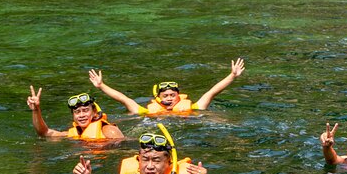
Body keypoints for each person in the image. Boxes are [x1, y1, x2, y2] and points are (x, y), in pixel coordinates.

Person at [73, 124, 211, 174]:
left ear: (168, 163)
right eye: (145, 159)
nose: (149, 166)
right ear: (138, 161)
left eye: (156, 160)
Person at [88, 58, 245, 115]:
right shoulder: (145, 112)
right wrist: (101, 86)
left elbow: (212, 92)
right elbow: (124, 99)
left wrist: (232, 76)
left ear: (179, 95)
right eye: (165, 96)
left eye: (173, 95)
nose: (170, 98)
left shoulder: (193, 108)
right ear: (157, 98)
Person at [27, 85, 124, 141]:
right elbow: (44, 133)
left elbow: (124, 147)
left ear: (94, 113)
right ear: (73, 116)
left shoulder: (109, 130)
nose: (81, 115)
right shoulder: (74, 133)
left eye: (86, 110)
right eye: (77, 112)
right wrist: (36, 110)